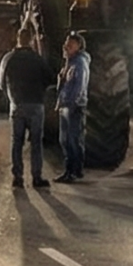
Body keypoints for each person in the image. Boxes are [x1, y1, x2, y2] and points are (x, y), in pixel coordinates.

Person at [0, 31, 53, 187]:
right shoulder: (37, 59)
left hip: (17, 105)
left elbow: (1, 83)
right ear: (31, 40)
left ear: (17, 39)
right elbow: (49, 79)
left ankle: (18, 177)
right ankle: (36, 177)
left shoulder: (8, 59)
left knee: (17, 142)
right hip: (36, 105)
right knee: (36, 143)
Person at [53, 32, 90, 183]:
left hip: (73, 106)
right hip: (67, 105)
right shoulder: (70, 62)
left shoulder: (79, 63)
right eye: (66, 42)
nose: (66, 46)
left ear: (78, 46)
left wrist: (71, 103)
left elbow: (79, 86)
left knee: (69, 140)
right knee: (71, 139)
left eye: (70, 44)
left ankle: (71, 171)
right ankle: (77, 170)